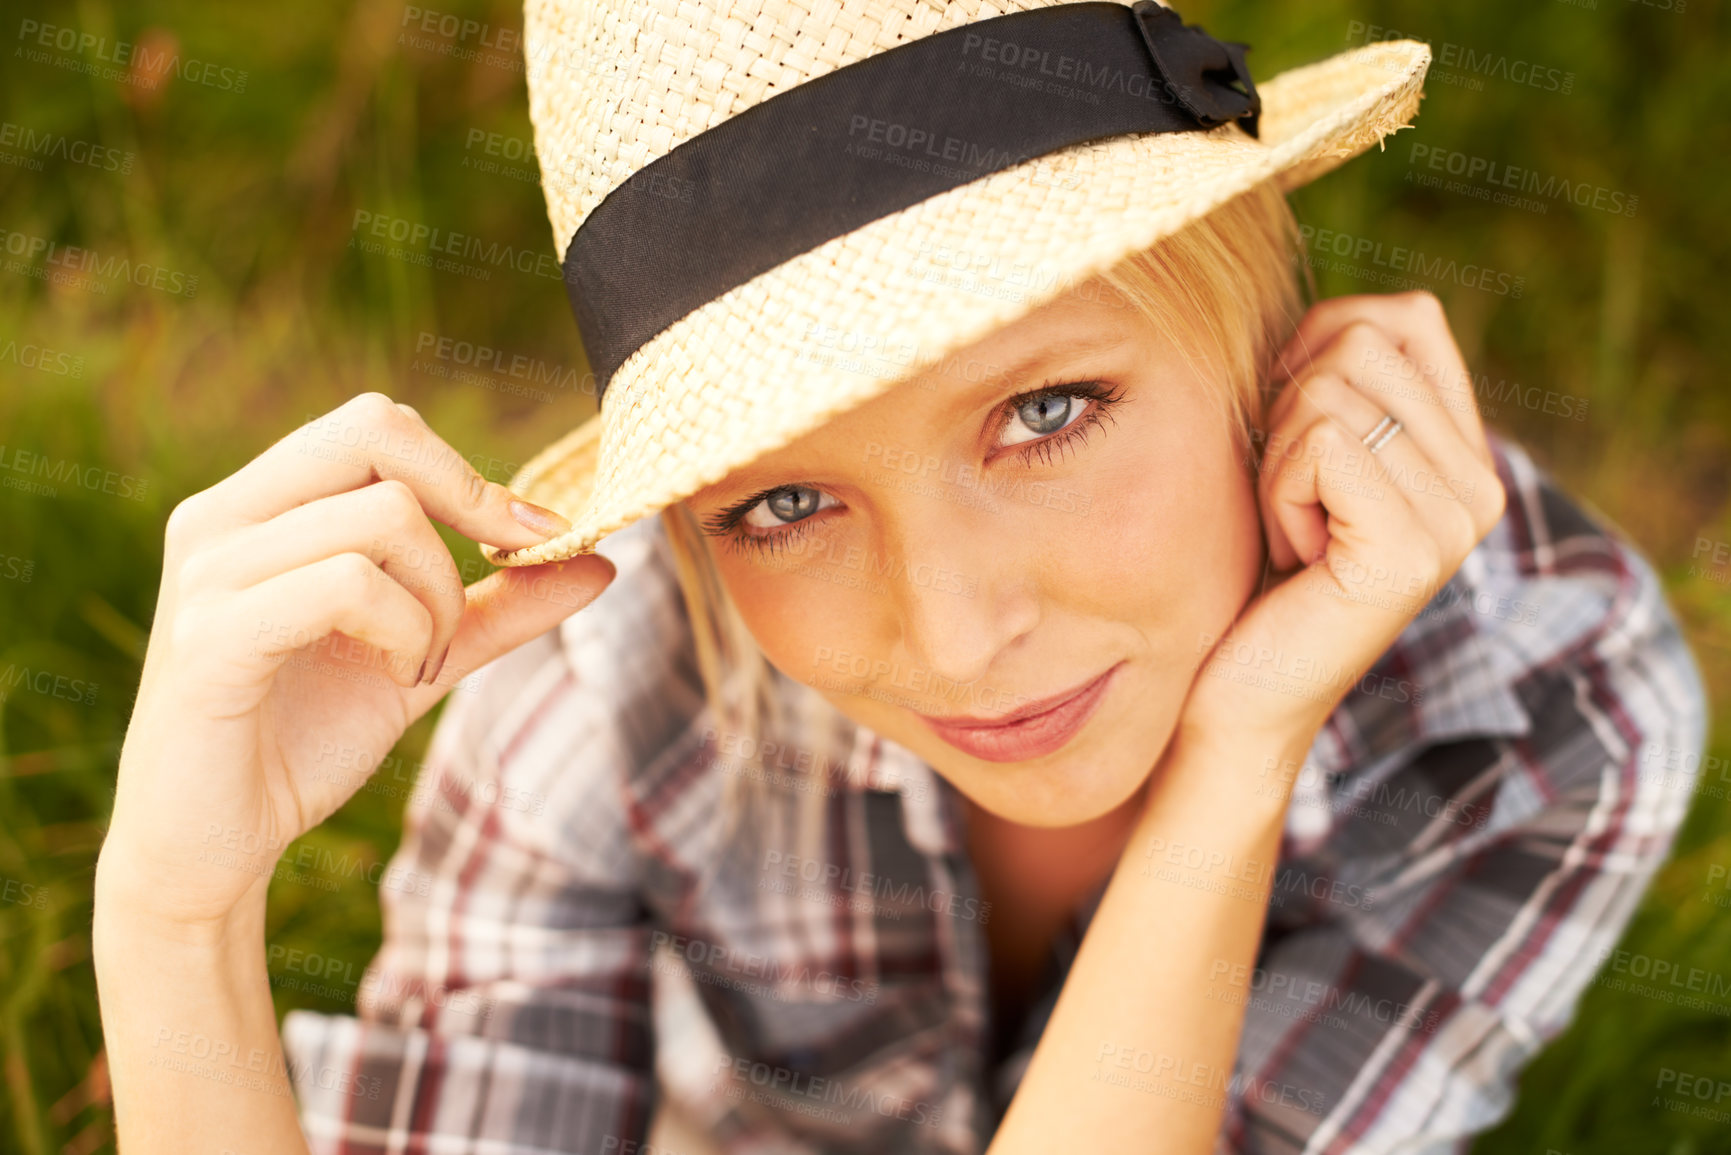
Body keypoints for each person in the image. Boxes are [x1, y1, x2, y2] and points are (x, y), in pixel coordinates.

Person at [91, 2, 1707, 1153]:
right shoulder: (609, 671)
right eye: (783, 501)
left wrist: (1239, 769)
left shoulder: (1544, 700)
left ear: (1257, 333)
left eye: (1046, 411)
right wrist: (175, 920)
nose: (953, 637)